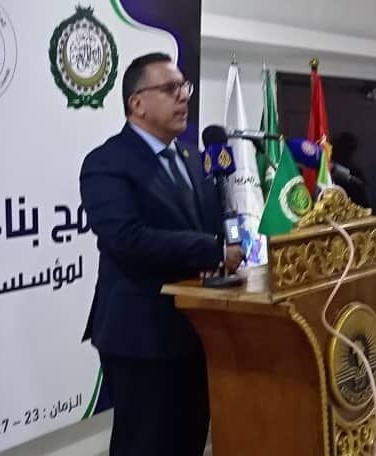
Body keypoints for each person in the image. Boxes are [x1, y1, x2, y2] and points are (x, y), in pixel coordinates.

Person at [79, 53, 244, 456]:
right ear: (136, 103)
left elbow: (208, 223)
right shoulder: (106, 162)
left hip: (198, 328)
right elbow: (127, 239)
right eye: (170, 89)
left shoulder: (190, 157)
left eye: (184, 87)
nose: (183, 96)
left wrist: (230, 242)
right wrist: (213, 250)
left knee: (189, 439)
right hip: (141, 334)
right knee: (145, 444)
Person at [332, 132, 369, 208]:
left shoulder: (355, 171)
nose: (350, 153)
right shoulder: (331, 168)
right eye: (349, 149)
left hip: (356, 208)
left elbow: (362, 189)